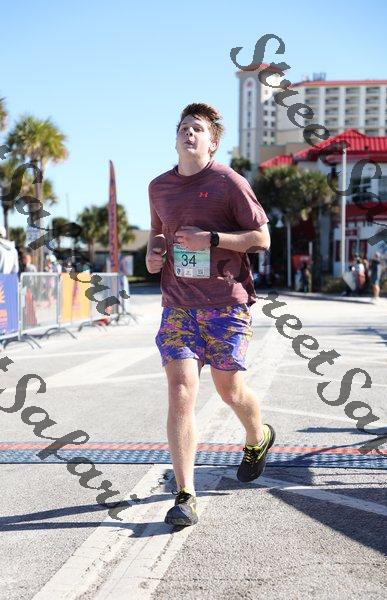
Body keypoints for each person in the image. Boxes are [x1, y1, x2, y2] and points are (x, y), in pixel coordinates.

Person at [146, 103, 275, 527]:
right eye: (184, 127)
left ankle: (258, 436)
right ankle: (185, 495)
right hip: (178, 305)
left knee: (229, 391)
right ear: (176, 138)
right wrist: (154, 254)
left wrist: (212, 239)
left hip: (225, 304)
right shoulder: (159, 187)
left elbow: (261, 238)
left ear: (212, 142)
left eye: (198, 129)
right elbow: (158, 233)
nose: (189, 133)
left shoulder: (228, 182)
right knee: (181, 391)